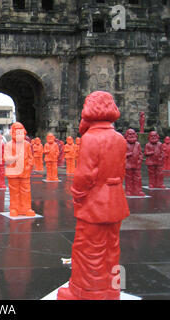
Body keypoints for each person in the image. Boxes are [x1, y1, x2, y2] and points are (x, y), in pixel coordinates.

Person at [57, 91, 130, 300]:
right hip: (116, 199)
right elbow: (122, 171)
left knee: (88, 247)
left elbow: (84, 176)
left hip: (95, 202)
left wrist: (77, 195)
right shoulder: (119, 138)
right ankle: (110, 289)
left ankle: (88, 291)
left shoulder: (90, 138)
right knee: (111, 246)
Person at [4, 122, 35, 217]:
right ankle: (14, 208)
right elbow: (6, 159)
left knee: (26, 191)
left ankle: (26, 208)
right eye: (17, 133)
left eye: (21, 133)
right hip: (13, 172)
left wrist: (29, 166)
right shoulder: (9, 145)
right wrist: (14, 158)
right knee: (14, 191)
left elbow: (30, 157)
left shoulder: (27, 145)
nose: (20, 135)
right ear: (12, 133)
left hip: (25, 172)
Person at [124, 129, 145, 196]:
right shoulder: (124, 143)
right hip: (128, 164)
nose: (132, 135)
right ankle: (128, 190)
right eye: (130, 134)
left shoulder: (137, 144)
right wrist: (128, 154)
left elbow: (140, 154)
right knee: (128, 178)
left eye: (133, 134)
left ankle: (138, 190)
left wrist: (140, 160)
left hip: (136, 164)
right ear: (126, 135)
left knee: (138, 178)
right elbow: (121, 154)